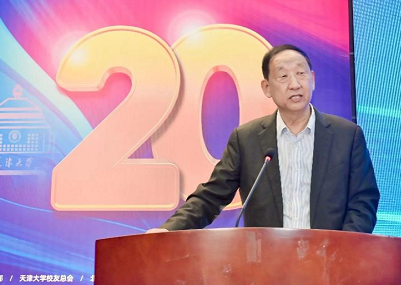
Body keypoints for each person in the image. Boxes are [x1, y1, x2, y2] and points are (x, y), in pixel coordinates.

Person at [152, 44, 379, 233]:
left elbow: (363, 201)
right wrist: (168, 230)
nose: (294, 84)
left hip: (330, 261)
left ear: (312, 79)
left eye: (301, 73)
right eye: (283, 76)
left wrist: (343, 249)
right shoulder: (246, 139)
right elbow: (210, 198)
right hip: (267, 262)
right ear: (267, 88)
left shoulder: (347, 136)